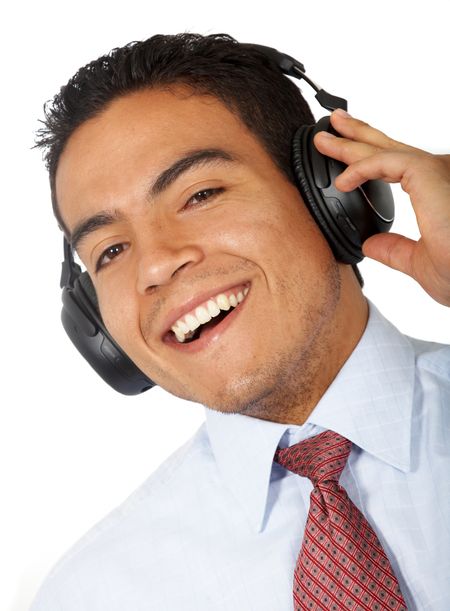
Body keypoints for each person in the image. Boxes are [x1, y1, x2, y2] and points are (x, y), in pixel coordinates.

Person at [31, 33, 449, 610]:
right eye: (109, 251)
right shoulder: (89, 595)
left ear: (330, 188)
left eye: (199, 194)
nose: (154, 264)